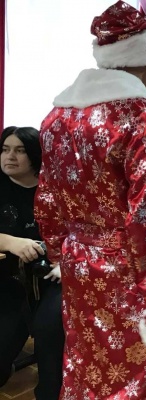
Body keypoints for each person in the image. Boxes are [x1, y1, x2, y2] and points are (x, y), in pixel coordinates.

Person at [34, 3, 146, 398]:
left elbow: (47, 198)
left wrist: (60, 251)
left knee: (85, 364)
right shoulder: (142, 118)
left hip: (78, 263)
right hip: (126, 269)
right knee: (133, 376)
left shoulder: (57, 116)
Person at [0, 127, 64, 400]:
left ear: (36, 155)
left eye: (19, 151)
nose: (9, 157)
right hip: (8, 281)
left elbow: (81, 233)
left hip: (52, 278)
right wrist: (9, 241)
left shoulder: (57, 189)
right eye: (5, 150)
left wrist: (66, 262)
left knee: (51, 330)